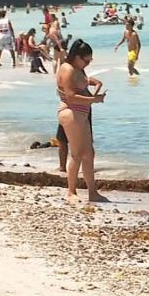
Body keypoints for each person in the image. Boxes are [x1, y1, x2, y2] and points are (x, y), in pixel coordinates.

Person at [57, 39, 107, 202]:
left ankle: (92, 192)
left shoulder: (79, 69)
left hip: (81, 114)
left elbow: (84, 86)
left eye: (89, 61)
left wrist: (94, 94)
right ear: (76, 56)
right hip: (71, 113)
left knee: (89, 153)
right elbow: (71, 97)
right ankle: (71, 192)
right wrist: (93, 100)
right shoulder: (67, 69)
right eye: (85, 60)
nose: (87, 63)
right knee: (77, 154)